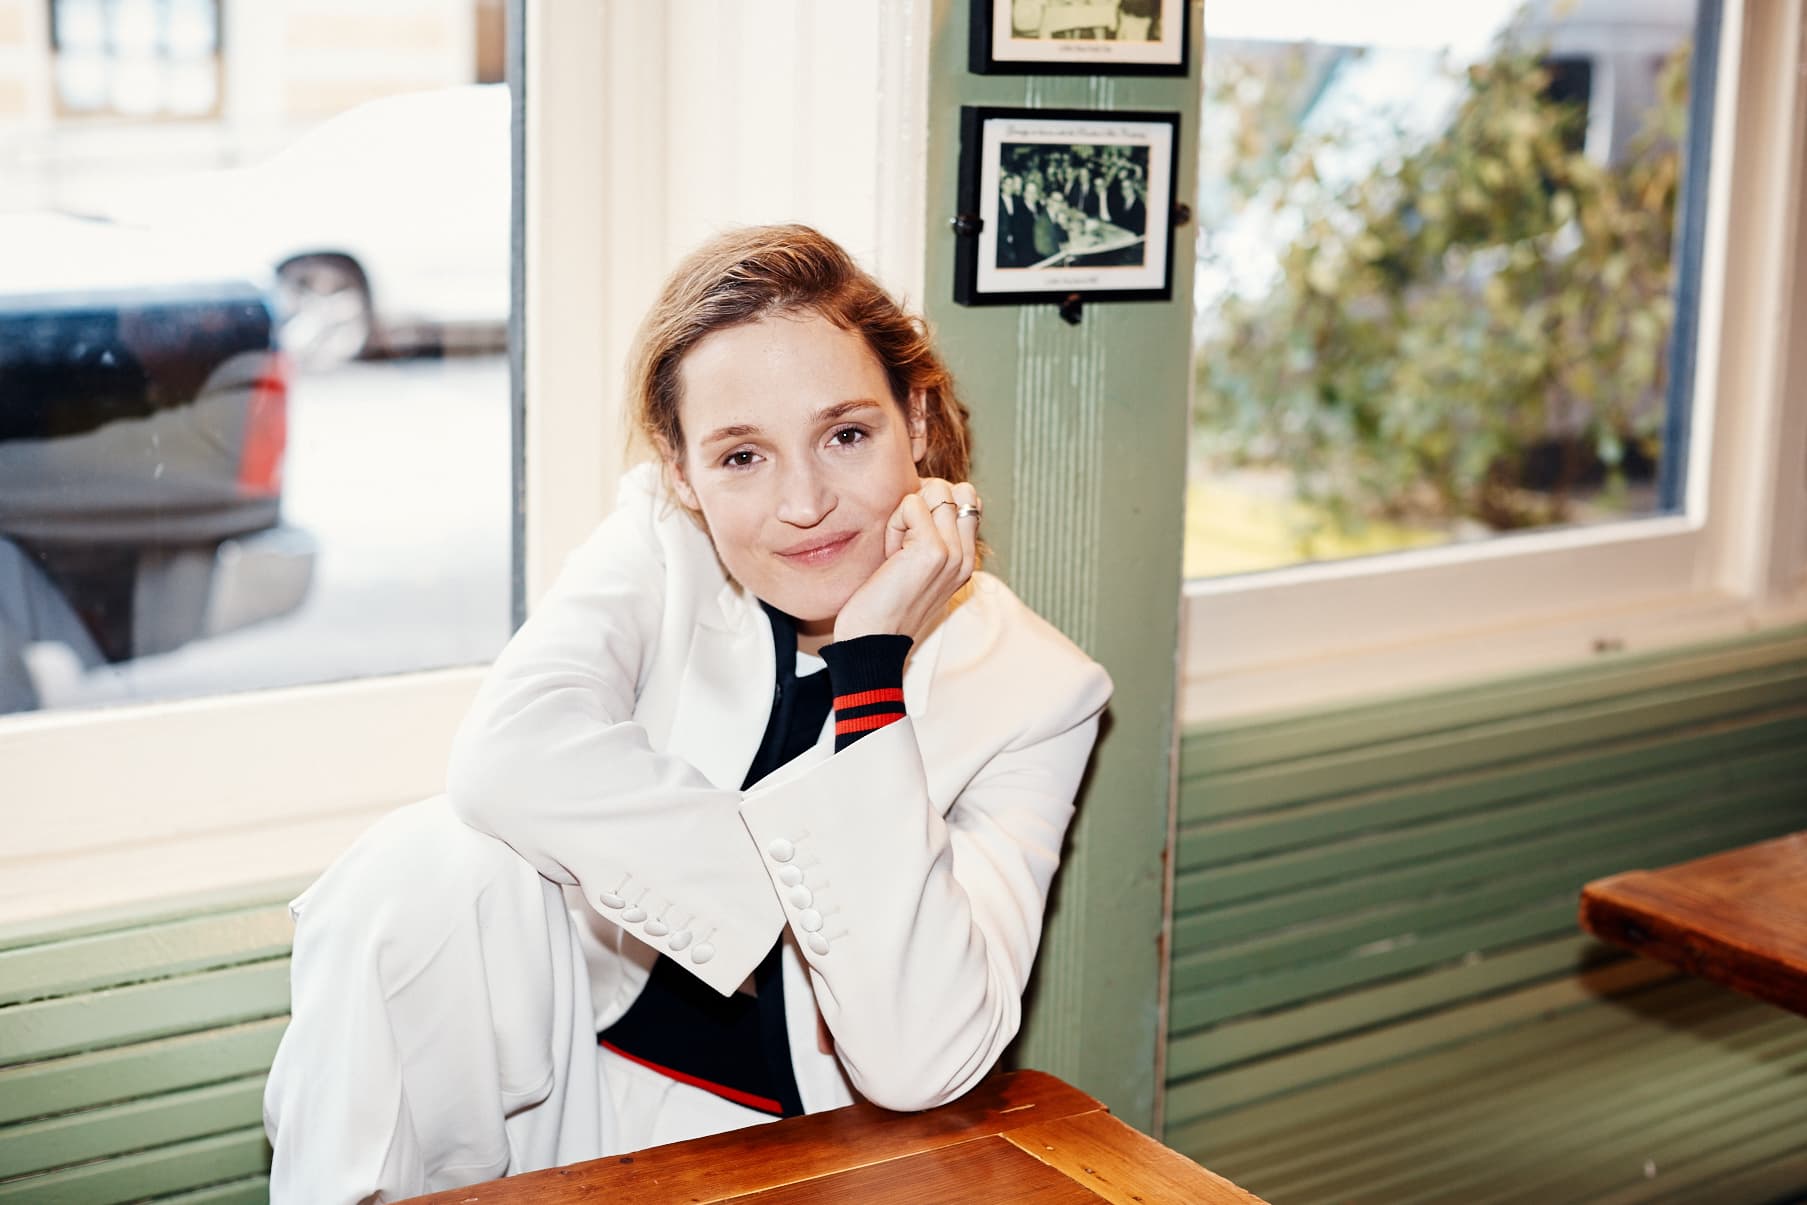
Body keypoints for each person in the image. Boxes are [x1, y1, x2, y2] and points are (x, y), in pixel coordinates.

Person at [262, 224, 1111, 1202]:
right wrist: (789, 891)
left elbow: (924, 1058)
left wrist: (871, 666)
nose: (804, 502)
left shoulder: (1034, 690)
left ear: (913, 421)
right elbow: (505, 754)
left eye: (845, 434)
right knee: (425, 860)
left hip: (828, 1146)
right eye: (742, 455)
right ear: (680, 471)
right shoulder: (662, 543)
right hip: (572, 1097)